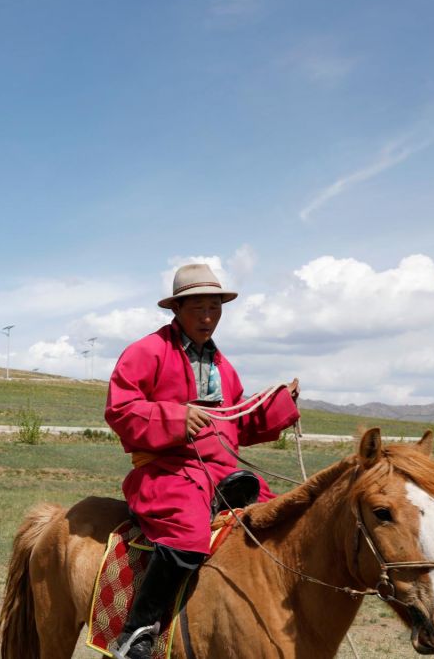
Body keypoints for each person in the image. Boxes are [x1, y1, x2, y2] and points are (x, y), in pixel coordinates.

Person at [104, 263, 300, 659]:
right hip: (167, 471)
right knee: (188, 532)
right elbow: (121, 410)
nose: (208, 317)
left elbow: (236, 425)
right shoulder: (147, 352)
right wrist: (175, 417)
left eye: (215, 308)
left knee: (282, 518)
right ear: (176, 310)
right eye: (198, 309)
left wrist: (279, 405)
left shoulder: (223, 366)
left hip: (223, 474)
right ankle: (138, 631)